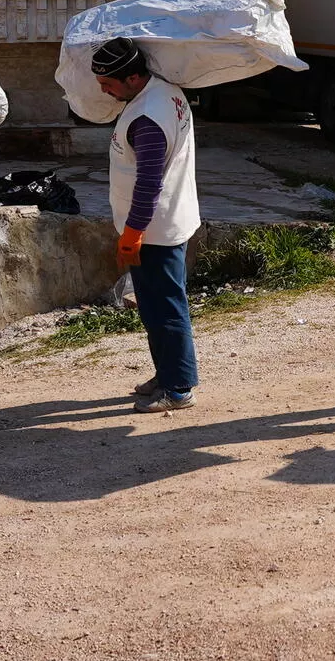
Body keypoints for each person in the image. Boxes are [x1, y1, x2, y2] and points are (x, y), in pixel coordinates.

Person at [93, 38, 203, 413]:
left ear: (133, 76)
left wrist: (133, 233)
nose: (102, 88)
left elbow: (149, 182)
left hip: (154, 231)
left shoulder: (147, 118)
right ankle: (168, 372)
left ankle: (178, 387)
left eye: (108, 82)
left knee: (165, 307)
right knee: (155, 306)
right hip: (167, 220)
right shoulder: (164, 92)